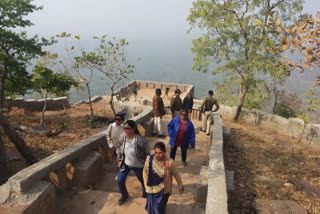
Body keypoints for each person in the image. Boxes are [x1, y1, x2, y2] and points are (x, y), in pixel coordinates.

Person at [143, 142, 184, 214]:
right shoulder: (149, 160)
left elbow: (176, 173)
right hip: (151, 189)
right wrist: (146, 184)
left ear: (164, 152)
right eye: (156, 152)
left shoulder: (169, 162)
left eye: (160, 153)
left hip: (163, 191)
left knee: (159, 209)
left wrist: (180, 185)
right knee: (152, 208)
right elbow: (145, 172)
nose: (157, 155)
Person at [117, 120, 150, 205]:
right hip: (126, 164)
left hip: (138, 165)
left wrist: (148, 165)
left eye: (128, 129)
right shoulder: (122, 137)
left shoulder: (140, 140)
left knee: (143, 180)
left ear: (134, 128)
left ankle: (145, 192)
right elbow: (119, 149)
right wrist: (119, 160)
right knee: (120, 180)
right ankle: (124, 195)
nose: (125, 130)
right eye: (124, 128)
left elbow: (147, 153)